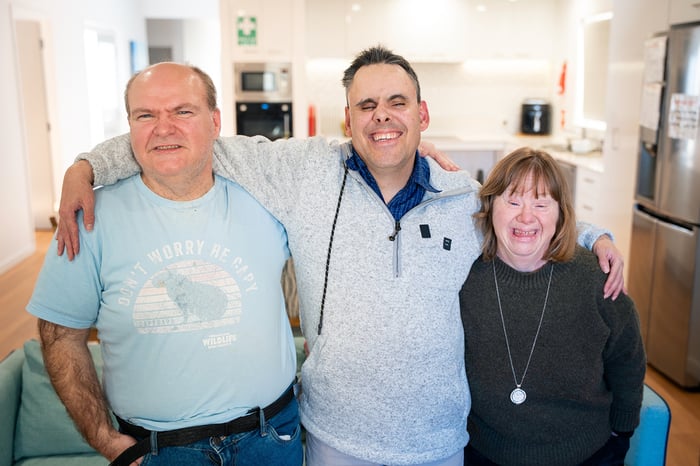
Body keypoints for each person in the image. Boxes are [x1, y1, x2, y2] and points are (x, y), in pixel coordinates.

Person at [56, 46, 625, 466]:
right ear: (348, 120)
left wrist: (593, 236)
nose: (383, 116)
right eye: (366, 105)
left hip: (439, 441)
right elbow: (181, 134)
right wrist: (86, 166)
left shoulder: (460, 198)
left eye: (397, 103)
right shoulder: (302, 172)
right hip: (333, 438)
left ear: (422, 116)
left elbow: (524, 218)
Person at [27, 63, 302, 466]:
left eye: (182, 111)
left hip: (271, 437)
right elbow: (59, 336)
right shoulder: (88, 217)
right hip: (159, 450)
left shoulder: (267, 200)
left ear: (215, 122)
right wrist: (105, 438)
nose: (163, 128)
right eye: (146, 115)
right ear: (129, 127)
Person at [459, 147, 645, 466]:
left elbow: (627, 358)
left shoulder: (596, 278)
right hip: (484, 452)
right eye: (513, 202)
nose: (526, 217)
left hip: (587, 454)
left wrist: (623, 430)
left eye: (541, 204)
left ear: (560, 214)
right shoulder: (463, 275)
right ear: (489, 206)